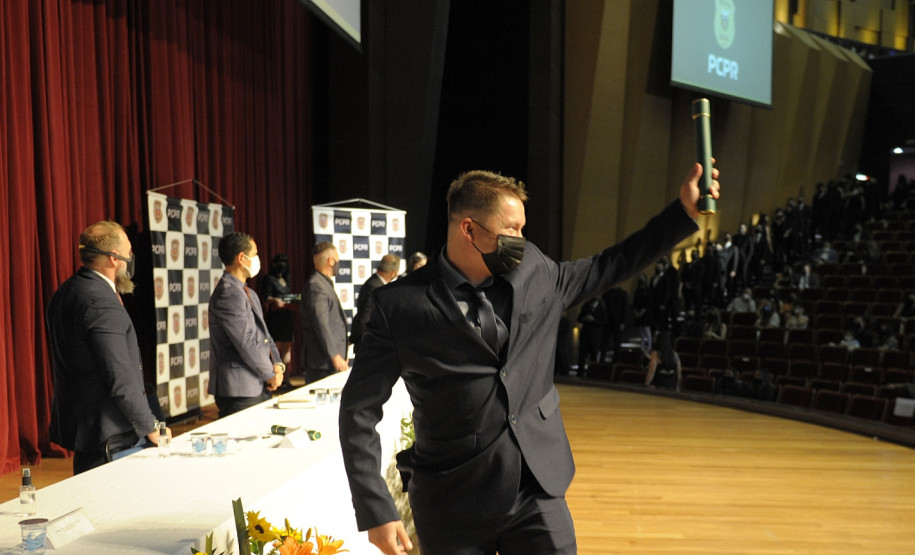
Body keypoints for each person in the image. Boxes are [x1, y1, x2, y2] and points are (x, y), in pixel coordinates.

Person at [339, 163, 719, 555]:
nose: (521, 239)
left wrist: (683, 213)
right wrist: (375, 508)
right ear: (468, 229)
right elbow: (358, 409)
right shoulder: (399, 307)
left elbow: (608, 266)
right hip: (452, 499)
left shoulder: (533, 269)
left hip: (537, 489)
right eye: (512, 229)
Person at [46, 221, 171, 474]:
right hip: (110, 435)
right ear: (114, 259)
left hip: (88, 430)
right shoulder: (100, 301)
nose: (130, 259)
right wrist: (150, 427)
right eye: (128, 252)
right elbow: (119, 375)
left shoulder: (65, 291)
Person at [208, 232, 285, 418]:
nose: (258, 259)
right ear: (242, 258)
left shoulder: (247, 292)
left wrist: (278, 365)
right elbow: (246, 343)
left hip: (257, 384)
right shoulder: (229, 294)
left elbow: (264, 335)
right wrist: (270, 374)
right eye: (255, 253)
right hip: (240, 391)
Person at [300, 241, 349, 383]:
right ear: (331, 261)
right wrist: (335, 355)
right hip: (322, 364)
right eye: (338, 260)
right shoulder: (316, 286)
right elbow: (321, 323)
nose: (339, 264)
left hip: (327, 363)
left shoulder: (323, 283)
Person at [350, 254, 401, 353]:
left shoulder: (372, 282)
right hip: (368, 344)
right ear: (393, 273)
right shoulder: (377, 287)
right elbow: (366, 316)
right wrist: (355, 338)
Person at [262, 253, 295, 365]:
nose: (283, 265)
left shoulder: (286, 279)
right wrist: (275, 300)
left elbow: (289, 295)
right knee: (276, 348)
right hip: (275, 316)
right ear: (274, 264)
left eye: (285, 262)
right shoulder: (269, 278)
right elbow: (266, 297)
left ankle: (286, 378)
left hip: (286, 316)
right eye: (280, 262)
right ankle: (275, 379)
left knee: (287, 347)